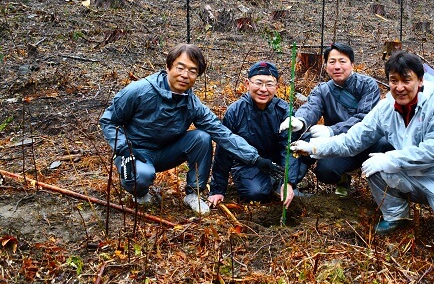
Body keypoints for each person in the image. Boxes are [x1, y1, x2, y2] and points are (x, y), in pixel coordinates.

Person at [290, 51, 434, 263]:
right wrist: (313, 147)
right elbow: (354, 139)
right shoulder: (385, 107)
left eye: (406, 80)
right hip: (406, 172)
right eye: (394, 81)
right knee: (373, 165)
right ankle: (395, 215)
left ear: (420, 80)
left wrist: (390, 159)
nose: (400, 87)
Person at [99, 43, 284, 214]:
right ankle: (139, 193)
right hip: (135, 152)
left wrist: (255, 159)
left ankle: (193, 193)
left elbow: (221, 133)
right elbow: (108, 120)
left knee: (202, 137)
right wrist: (124, 148)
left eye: (192, 71)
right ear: (168, 67)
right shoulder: (139, 91)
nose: (185, 75)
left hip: (166, 152)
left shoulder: (192, 103)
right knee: (141, 177)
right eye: (180, 68)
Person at [279, 42, 389, 197]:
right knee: (326, 171)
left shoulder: (367, 85)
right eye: (332, 62)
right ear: (325, 66)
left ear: (352, 64)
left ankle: (386, 193)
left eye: (342, 61)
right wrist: (300, 120)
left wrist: (331, 130)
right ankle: (342, 179)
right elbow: (312, 107)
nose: (337, 66)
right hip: (339, 145)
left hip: (369, 142)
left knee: (388, 145)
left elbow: (365, 117)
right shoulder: (322, 90)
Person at [208, 61, 305, 208]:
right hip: (248, 165)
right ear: (247, 84)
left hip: (277, 165)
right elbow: (224, 151)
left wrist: (288, 180)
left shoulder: (284, 111)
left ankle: (283, 185)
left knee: (307, 141)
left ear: (277, 87)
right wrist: (217, 189)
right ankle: (272, 186)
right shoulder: (235, 111)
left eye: (269, 84)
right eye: (258, 83)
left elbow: (288, 148)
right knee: (256, 193)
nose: (263, 89)